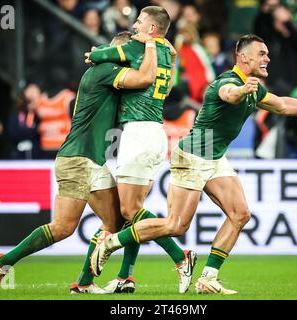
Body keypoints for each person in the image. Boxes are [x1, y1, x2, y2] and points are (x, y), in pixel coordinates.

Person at [90, 34, 297, 295]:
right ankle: (112, 242)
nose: (267, 58)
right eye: (262, 53)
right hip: (196, 153)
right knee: (176, 225)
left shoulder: (254, 88)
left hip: (214, 155)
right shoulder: (230, 82)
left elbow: (283, 105)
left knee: (240, 214)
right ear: (244, 58)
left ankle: (208, 277)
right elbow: (228, 94)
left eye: (267, 53)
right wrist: (242, 91)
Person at [0, 31, 160, 296]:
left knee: (120, 221)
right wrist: (150, 44)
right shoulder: (105, 70)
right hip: (77, 159)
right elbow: (147, 78)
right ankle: (3, 261)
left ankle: (86, 282)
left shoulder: (108, 73)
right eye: (131, 52)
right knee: (64, 228)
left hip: (94, 160)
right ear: (120, 52)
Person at [84, 6, 196, 294]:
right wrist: (172, 56)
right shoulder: (163, 54)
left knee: (129, 210)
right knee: (130, 213)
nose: (134, 25)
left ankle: (179, 256)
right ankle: (125, 276)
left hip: (138, 132)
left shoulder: (141, 48)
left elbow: (108, 56)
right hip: (155, 133)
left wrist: (95, 54)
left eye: (139, 22)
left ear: (152, 29)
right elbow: (166, 89)